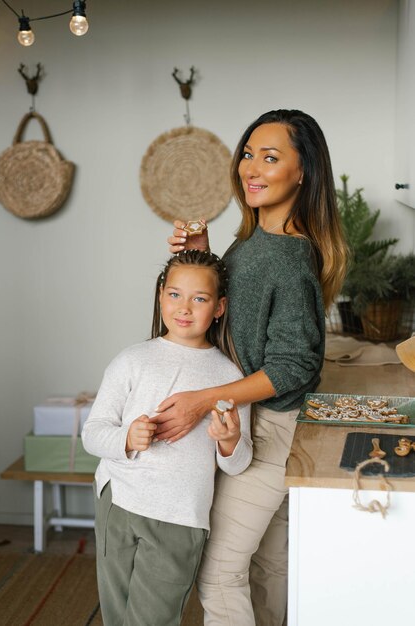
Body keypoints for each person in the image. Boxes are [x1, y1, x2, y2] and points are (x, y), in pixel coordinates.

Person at [154, 109, 348, 625]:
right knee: (267, 567)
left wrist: (201, 401)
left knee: (219, 576)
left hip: (268, 434)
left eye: (270, 157)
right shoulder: (253, 242)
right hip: (261, 429)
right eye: (247, 154)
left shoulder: (287, 255)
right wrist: (203, 258)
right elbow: (238, 323)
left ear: (303, 172)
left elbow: (293, 367)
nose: (252, 168)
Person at [82, 250, 252, 626]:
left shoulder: (230, 378)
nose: (185, 308)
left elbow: (239, 462)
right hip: (119, 504)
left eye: (200, 298)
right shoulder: (132, 360)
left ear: (219, 307)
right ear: (160, 295)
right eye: (175, 294)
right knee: (115, 615)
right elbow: (92, 434)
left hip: (180, 518)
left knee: (151, 620)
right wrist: (127, 437)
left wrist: (229, 440)